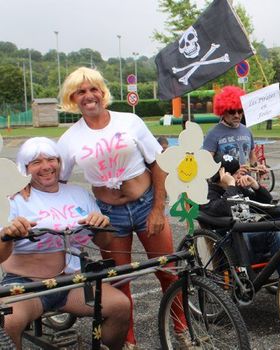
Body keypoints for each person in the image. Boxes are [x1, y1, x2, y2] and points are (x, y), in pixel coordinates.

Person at [56, 67, 177, 348]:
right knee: (120, 282)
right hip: (110, 215)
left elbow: (158, 163)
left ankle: (181, 332)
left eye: (93, 89)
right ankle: (129, 342)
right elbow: (56, 180)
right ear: (73, 98)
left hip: (146, 204)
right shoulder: (69, 139)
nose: (88, 96)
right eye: (81, 92)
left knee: (168, 271)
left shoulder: (129, 121)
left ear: (102, 92)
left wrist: (158, 208)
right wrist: (27, 187)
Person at [1, 137, 130, 350]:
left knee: (120, 306)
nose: (46, 167)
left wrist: (101, 225)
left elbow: (104, 242)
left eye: (51, 159)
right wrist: (7, 235)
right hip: (28, 285)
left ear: (60, 163)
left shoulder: (78, 193)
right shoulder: (13, 199)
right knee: (8, 323)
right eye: (36, 162)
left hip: (72, 282)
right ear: (25, 168)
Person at [199, 153, 280, 274]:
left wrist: (255, 186)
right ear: (223, 175)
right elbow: (224, 208)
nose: (239, 176)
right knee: (274, 233)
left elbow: (265, 202)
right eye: (235, 174)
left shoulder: (235, 188)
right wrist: (230, 185)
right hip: (230, 240)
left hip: (245, 231)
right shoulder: (208, 193)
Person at [203, 86, 258, 168]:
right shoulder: (213, 133)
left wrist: (257, 168)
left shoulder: (247, 131)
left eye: (239, 111)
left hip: (247, 180)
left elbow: (252, 157)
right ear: (223, 111)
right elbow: (207, 164)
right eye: (232, 111)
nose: (236, 115)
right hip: (225, 180)